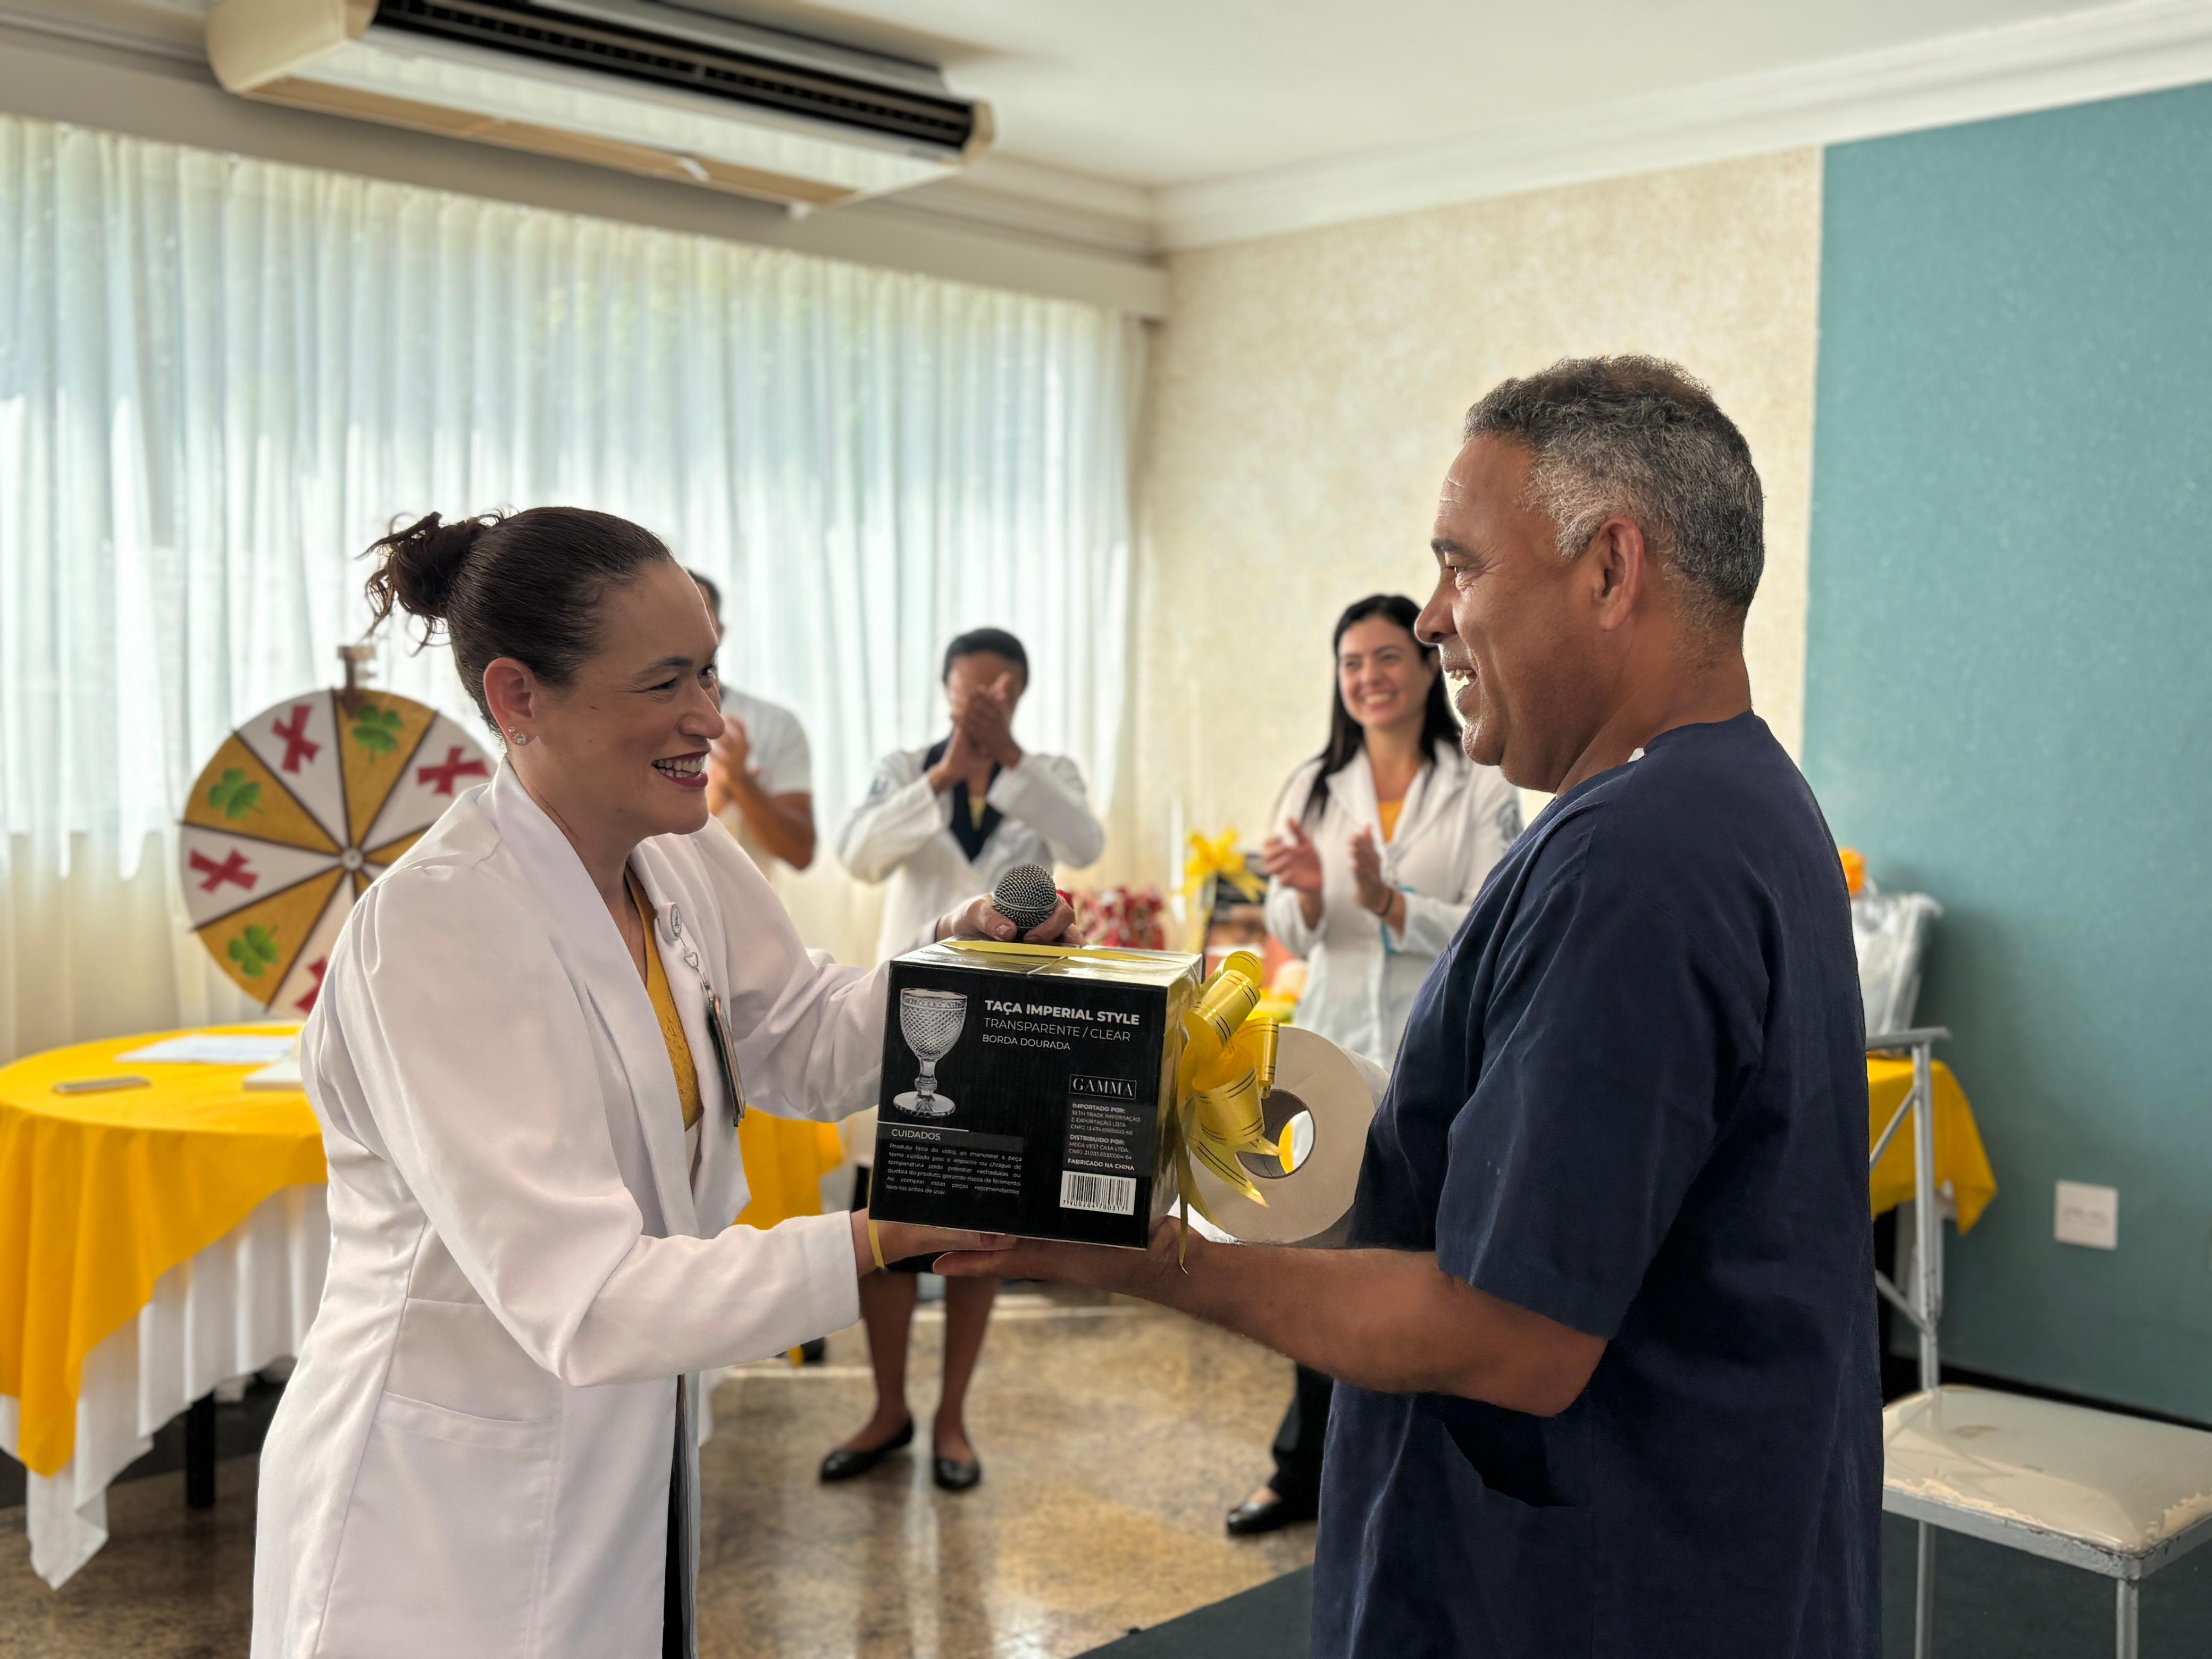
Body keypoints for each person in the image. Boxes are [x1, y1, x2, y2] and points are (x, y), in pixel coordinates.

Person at [940, 357, 1879, 1657]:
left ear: (1611, 570)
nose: (1433, 620)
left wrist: (1135, 1256)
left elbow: (1513, 1333)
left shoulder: (1636, 859)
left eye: (1461, 567)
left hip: (1582, 1591)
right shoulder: (1741, 800)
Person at [252, 508, 1072, 1659]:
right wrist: (879, 1239)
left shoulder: (674, 850)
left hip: (631, 1441)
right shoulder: (440, 928)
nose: (711, 719)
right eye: (666, 682)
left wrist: (965, 971)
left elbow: (795, 1030)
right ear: (519, 697)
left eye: (710, 673)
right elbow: (587, 1297)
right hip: (444, 1508)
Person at [1227, 593, 1521, 1538]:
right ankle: (1304, 1471)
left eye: (1388, 657)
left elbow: (1493, 924)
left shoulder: (1480, 781)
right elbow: (1290, 926)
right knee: (1322, 1260)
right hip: (1330, 1057)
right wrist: (1310, 897)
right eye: (1352, 663)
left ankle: (1424, 1478)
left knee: (1425, 1268)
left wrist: (1394, 904)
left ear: (1428, 664)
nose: (1369, 678)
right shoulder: (1314, 784)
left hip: (1437, 1060)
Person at [828, 627, 1107, 1492]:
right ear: (947, 689)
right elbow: (857, 856)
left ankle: (951, 1418)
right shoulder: (903, 769)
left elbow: (1084, 843)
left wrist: (1008, 758)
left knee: (981, 1227)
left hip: (1006, 1031)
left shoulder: (1048, 773)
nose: (982, 702)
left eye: (998, 690)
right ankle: (887, 1408)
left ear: (1017, 691)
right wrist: (944, 774)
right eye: (968, 689)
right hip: (907, 1012)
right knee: (887, 1225)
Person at [688, 569, 816, 874]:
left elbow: (800, 854)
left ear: (719, 632)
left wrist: (741, 782)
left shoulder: (777, 724)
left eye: (698, 618)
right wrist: (717, 793)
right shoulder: (623, 723)